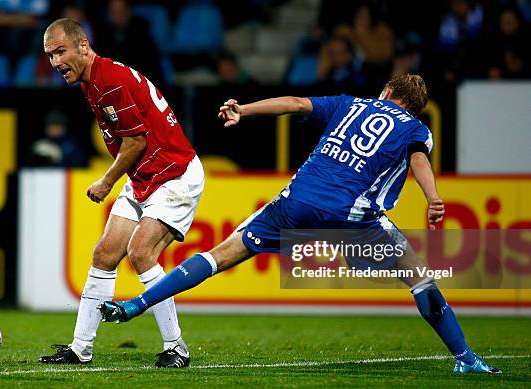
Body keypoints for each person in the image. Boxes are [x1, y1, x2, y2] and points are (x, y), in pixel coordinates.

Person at [100, 74, 502, 375]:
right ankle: (465, 357)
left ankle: (137, 303)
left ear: (387, 92)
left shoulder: (352, 104)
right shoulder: (416, 127)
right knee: (419, 279)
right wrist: (432, 197)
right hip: (351, 218)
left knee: (220, 255)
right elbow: (418, 159)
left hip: (298, 203)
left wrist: (245, 110)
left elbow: (294, 102)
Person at [39, 18, 204, 368]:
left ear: (84, 46)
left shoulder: (108, 81)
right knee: (104, 253)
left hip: (174, 174)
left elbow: (135, 141)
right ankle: (80, 348)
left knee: (141, 251)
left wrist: (105, 181)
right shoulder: (94, 81)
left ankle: (177, 347)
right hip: (145, 174)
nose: (55, 62)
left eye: (60, 52)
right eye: (50, 55)